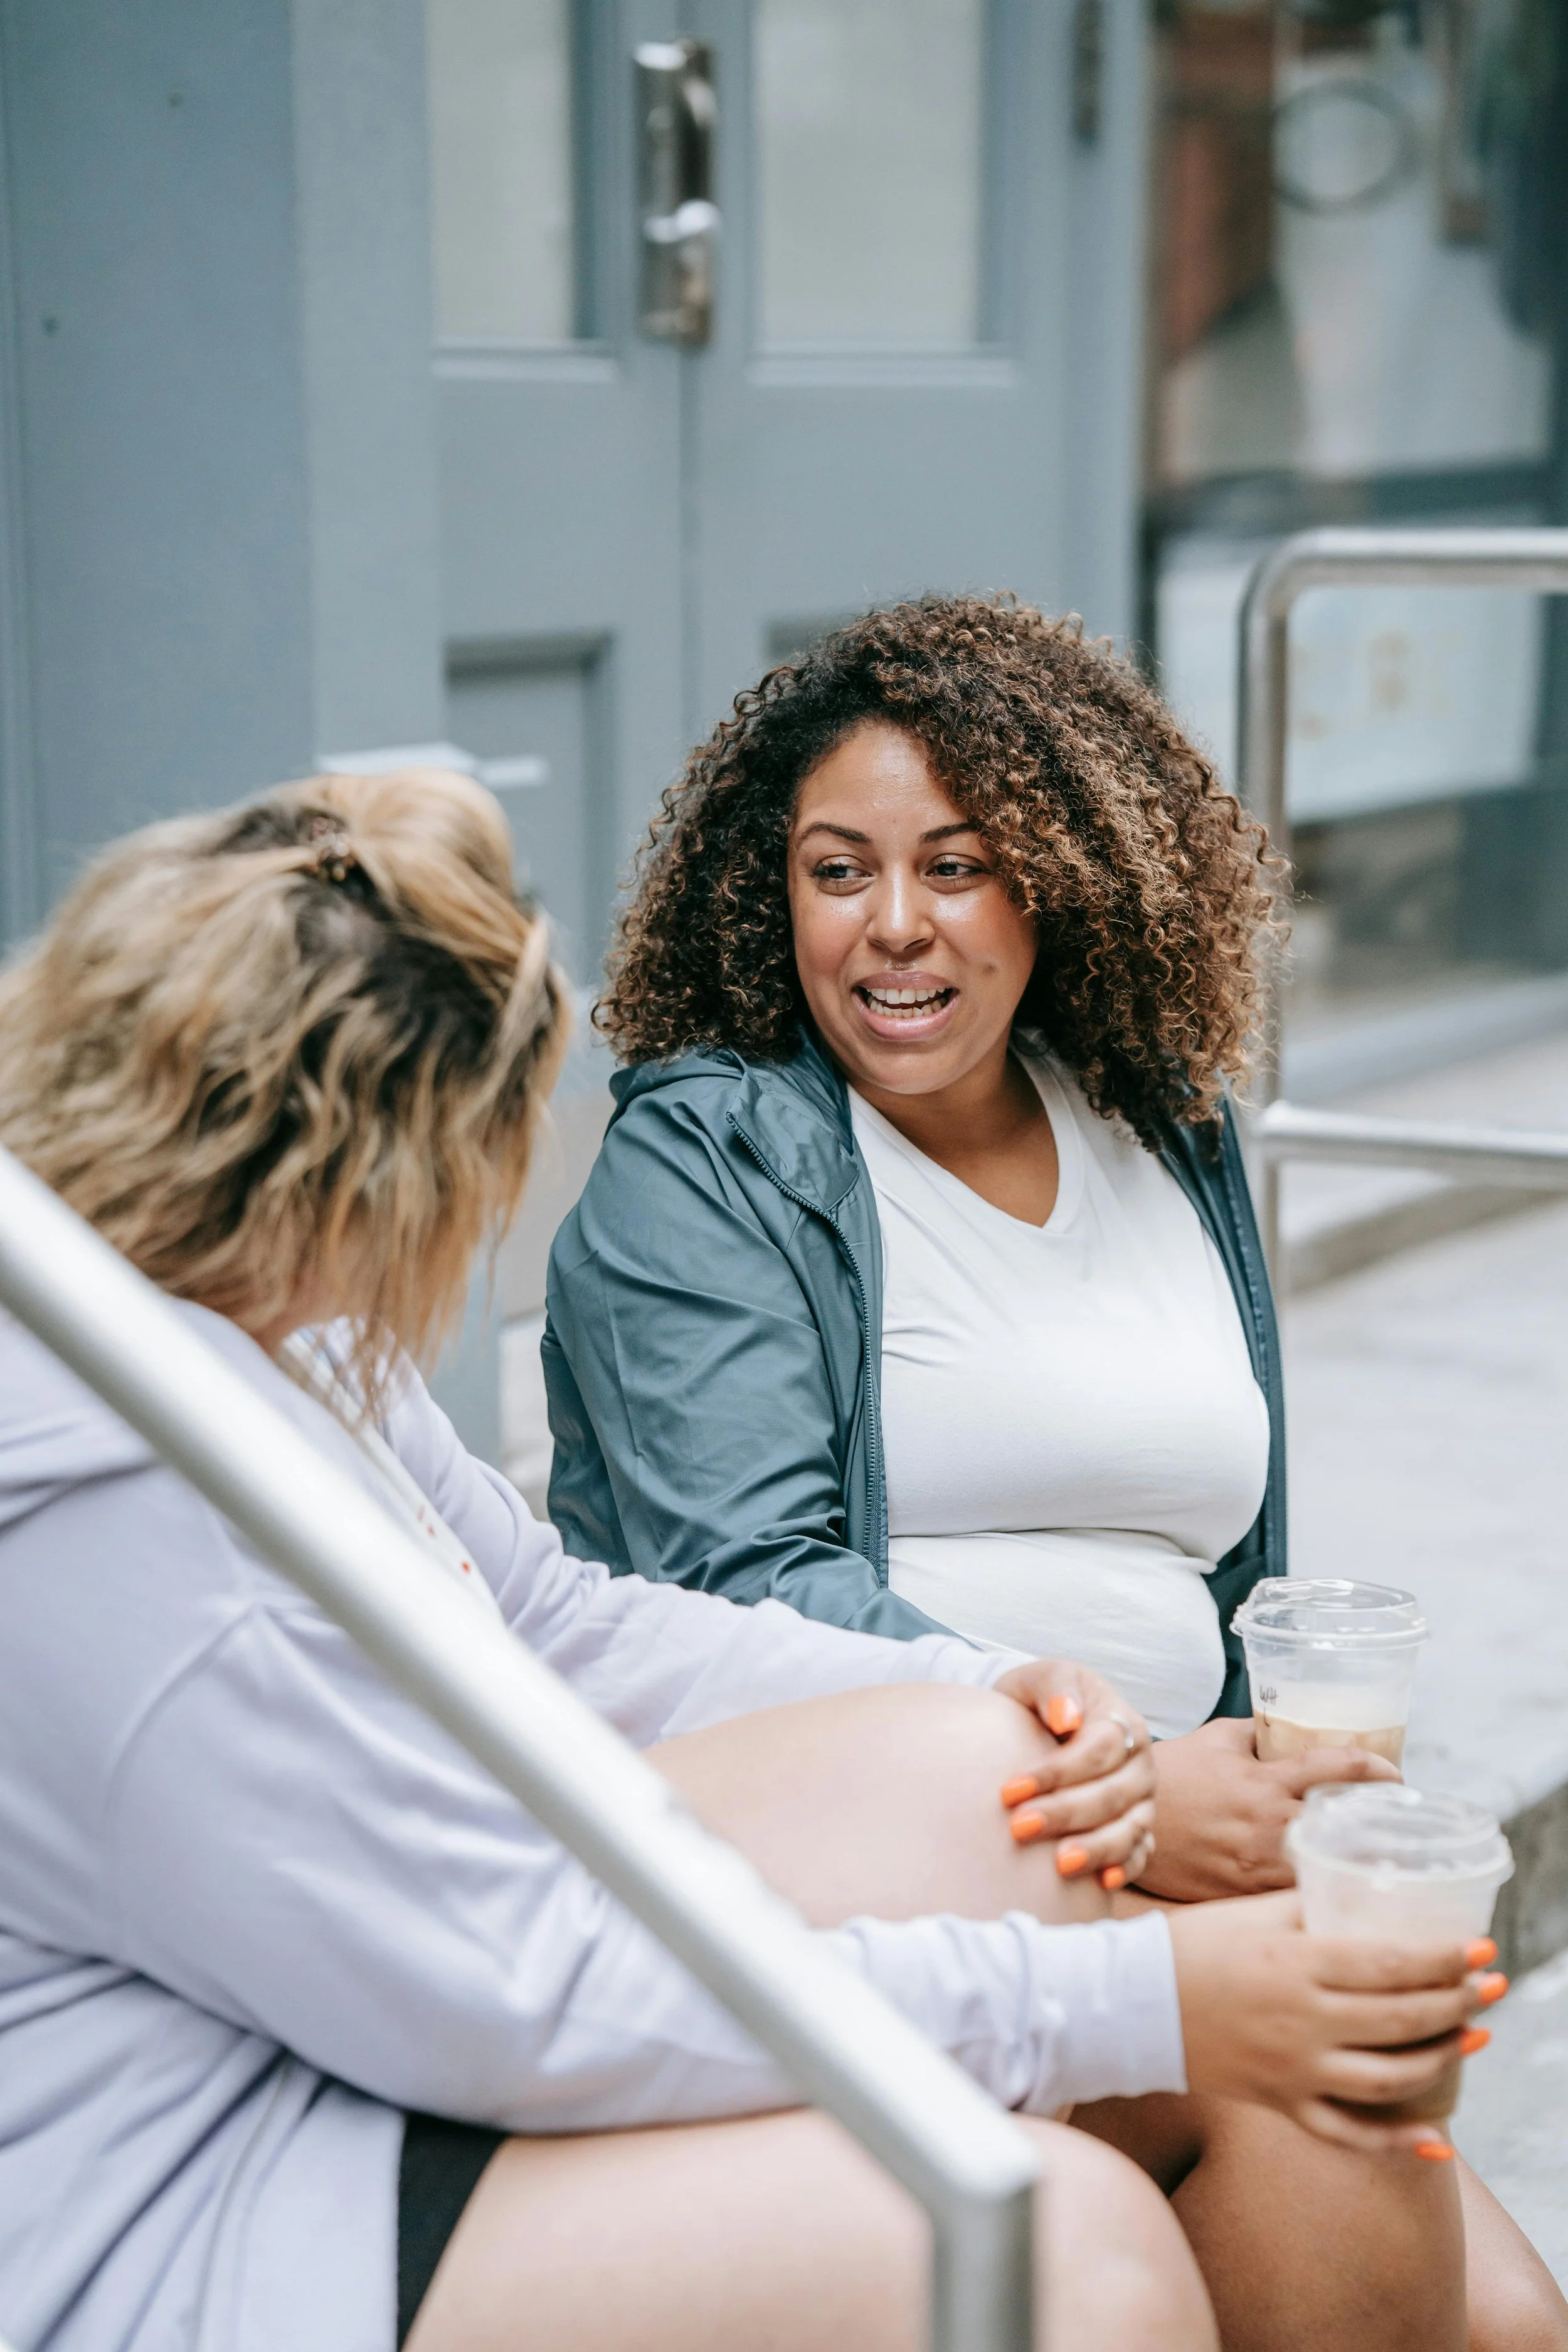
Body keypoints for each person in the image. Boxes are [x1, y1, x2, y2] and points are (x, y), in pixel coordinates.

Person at [0, 768, 1554, 2352]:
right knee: (1058, 2242)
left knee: (1014, 1788)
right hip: (230, 2188)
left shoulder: (246, 1329)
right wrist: (1149, 1987)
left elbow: (543, 1618)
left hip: (402, 2004)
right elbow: (507, 1996)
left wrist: (1002, 1687)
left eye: (959, 866)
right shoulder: (119, 1508)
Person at [542, 596, 1365, 1903]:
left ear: (1059, 878)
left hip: (1151, 1825)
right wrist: (1138, 1785)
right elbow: (736, 1584)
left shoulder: (1152, 1123)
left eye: (954, 865)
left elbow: (1227, 1571)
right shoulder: (708, 1160)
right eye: (837, 870)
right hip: (861, 1824)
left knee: (1383, 1986)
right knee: (1319, 2050)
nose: (893, 923)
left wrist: (1245, 1767)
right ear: (774, 898)